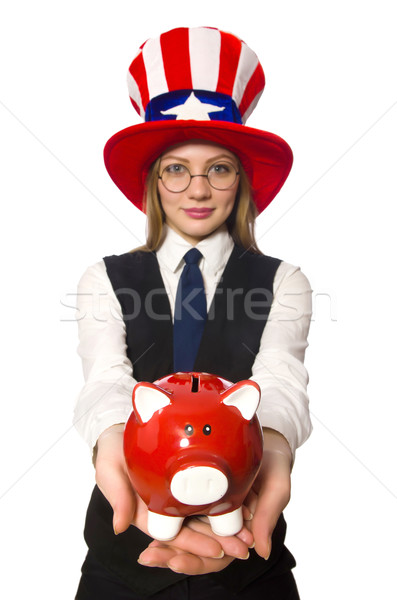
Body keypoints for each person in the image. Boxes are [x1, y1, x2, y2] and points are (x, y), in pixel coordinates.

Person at [74, 26, 312, 600]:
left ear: (241, 181)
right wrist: (114, 442)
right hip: (126, 551)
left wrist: (272, 445)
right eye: (176, 168)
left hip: (247, 546)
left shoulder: (284, 281)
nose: (197, 188)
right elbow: (107, 378)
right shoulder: (104, 279)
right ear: (155, 183)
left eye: (219, 168)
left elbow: (280, 377)